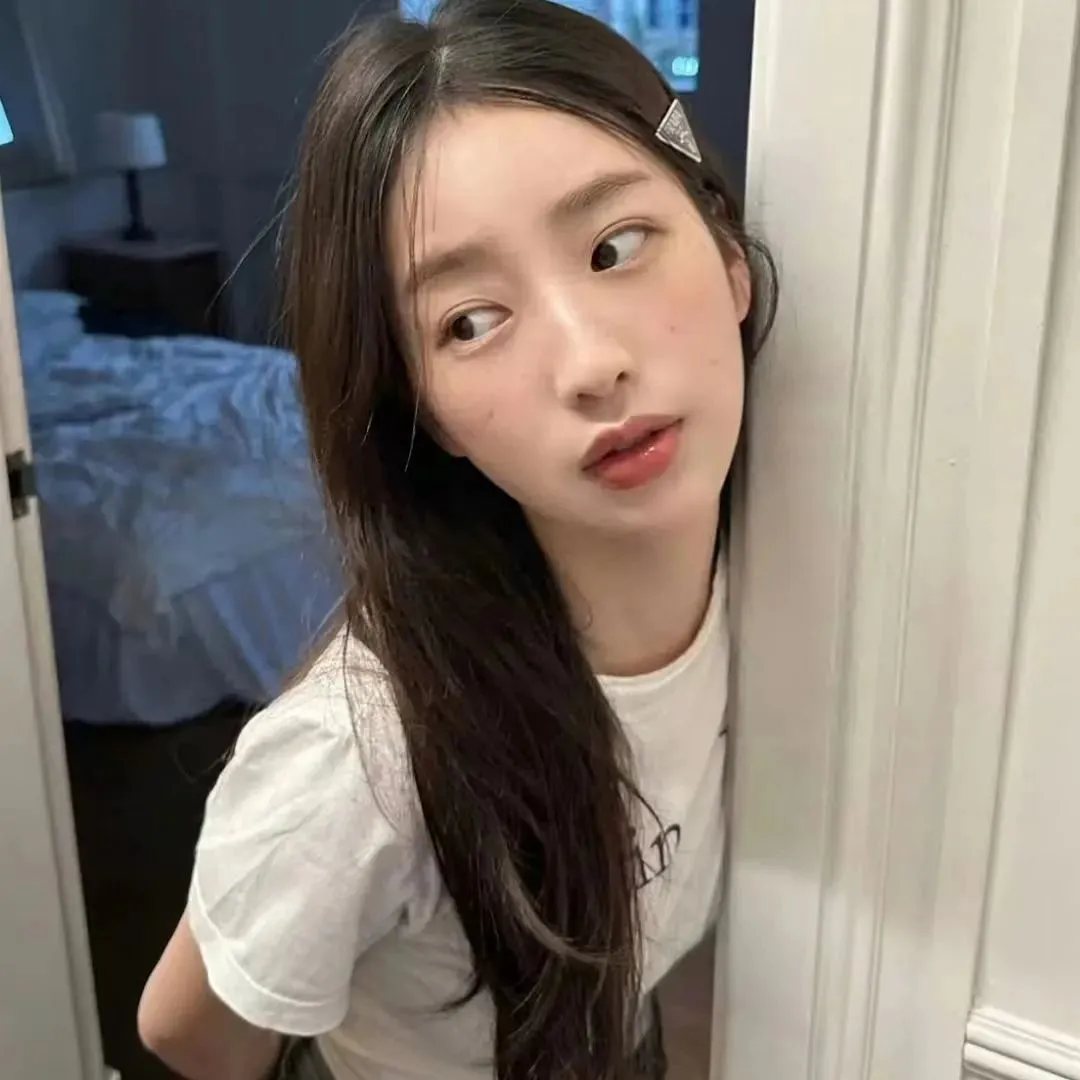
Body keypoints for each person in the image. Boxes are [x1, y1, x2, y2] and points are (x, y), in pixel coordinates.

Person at [136, 1, 777, 1077]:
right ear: (429, 414)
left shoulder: (790, 565)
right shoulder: (361, 761)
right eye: (469, 323)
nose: (591, 365)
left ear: (729, 258)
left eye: (615, 248)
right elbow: (188, 1032)